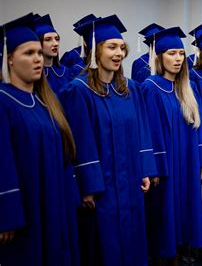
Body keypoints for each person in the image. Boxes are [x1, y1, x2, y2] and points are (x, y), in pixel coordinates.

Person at [59, 14, 157, 266]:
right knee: (105, 244)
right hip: (102, 186)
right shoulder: (78, 90)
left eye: (121, 47)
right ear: (94, 50)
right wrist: (88, 186)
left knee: (134, 239)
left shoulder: (129, 88)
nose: (118, 53)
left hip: (130, 179)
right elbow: (79, 142)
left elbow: (142, 130)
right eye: (111, 47)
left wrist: (144, 169)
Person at [0, 13, 79, 266]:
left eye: (38, 52)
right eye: (28, 53)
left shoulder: (46, 102)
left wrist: (70, 196)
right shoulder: (3, 101)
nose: (38, 59)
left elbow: (63, 153)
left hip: (55, 200)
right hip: (27, 206)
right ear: (9, 58)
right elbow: (2, 162)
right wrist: (7, 214)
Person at [141, 27, 202, 264]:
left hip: (187, 160)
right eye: (172, 53)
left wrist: (201, 160)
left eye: (181, 53)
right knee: (166, 212)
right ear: (159, 57)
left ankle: (179, 252)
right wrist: (155, 168)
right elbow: (149, 131)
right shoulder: (150, 87)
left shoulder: (187, 88)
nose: (178, 58)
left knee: (185, 207)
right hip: (167, 164)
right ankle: (166, 256)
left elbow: (199, 127)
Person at [34, 14, 73, 94]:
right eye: (48, 40)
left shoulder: (66, 72)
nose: (55, 43)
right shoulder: (33, 74)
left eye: (57, 39)